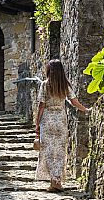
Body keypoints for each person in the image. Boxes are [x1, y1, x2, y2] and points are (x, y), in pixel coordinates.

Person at [35, 59, 91, 192]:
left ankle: (53, 180)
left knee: (48, 151)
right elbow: (74, 101)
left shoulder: (44, 85)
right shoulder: (65, 85)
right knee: (60, 151)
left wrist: (37, 124)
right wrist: (85, 109)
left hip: (47, 120)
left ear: (49, 70)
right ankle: (57, 179)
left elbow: (41, 105)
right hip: (60, 120)